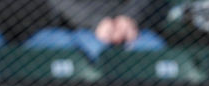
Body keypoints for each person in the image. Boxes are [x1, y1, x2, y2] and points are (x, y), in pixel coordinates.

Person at [24, 0, 166, 61]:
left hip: (133, 28)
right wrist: (95, 22)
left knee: (154, 53)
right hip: (77, 29)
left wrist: (130, 18)